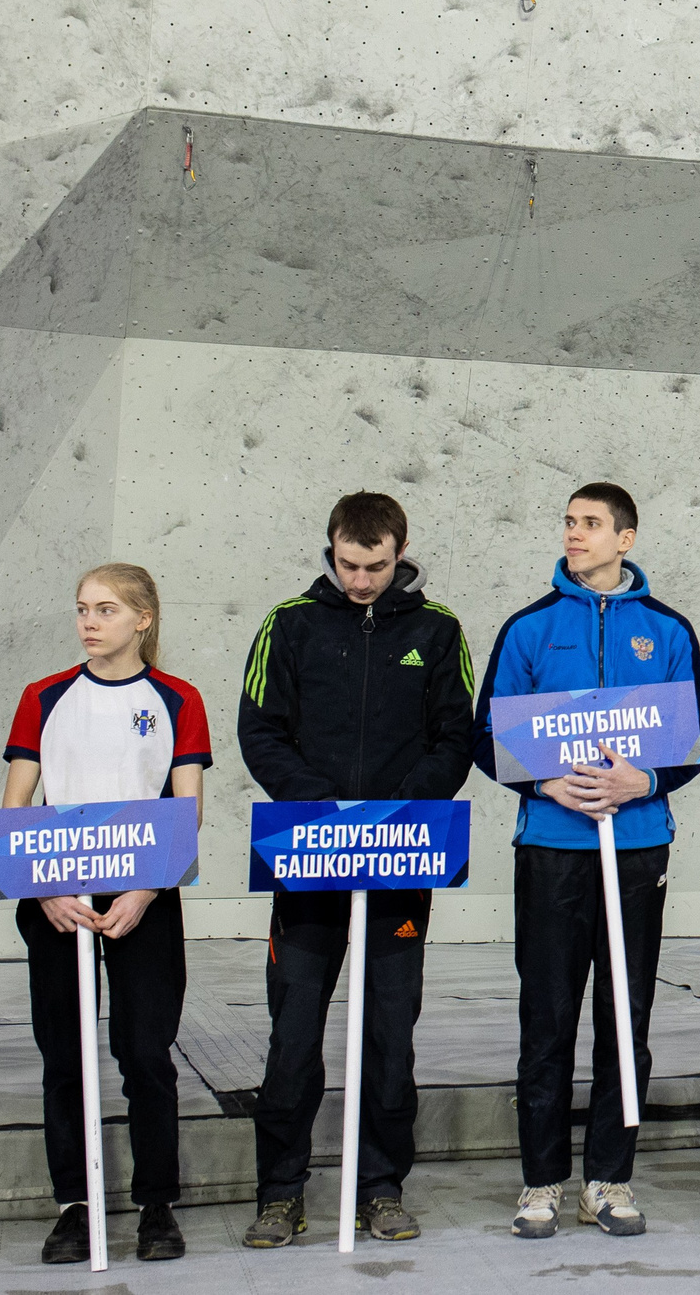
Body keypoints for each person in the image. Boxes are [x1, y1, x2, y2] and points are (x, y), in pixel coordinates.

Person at [476, 483, 700, 1237]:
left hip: (639, 848)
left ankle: (609, 1178)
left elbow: (696, 734)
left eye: (589, 524)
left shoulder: (667, 629)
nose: (573, 534)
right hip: (551, 848)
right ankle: (542, 1181)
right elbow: (485, 735)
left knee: (625, 1014)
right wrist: (546, 781)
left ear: (626, 537)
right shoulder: (529, 627)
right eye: (568, 522)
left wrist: (640, 780)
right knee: (545, 1017)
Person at [237, 492, 476, 1249]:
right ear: (331, 549)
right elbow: (259, 730)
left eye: (376, 566)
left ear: (401, 550)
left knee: (388, 1032)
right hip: (309, 862)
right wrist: (325, 808)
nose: (362, 580)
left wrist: (397, 811)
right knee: (293, 1032)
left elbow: (458, 735)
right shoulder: (290, 623)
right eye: (348, 564)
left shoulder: (438, 630)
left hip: (400, 862)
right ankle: (280, 1191)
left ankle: (380, 1186)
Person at [4, 565, 209, 1265]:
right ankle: (75, 1205)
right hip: (56, 900)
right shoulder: (43, 696)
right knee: (64, 1057)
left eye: (107, 609)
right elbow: (13, 812)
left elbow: (187, 811)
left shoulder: (178, 698)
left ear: (143, 618)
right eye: (83, 609)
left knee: (146, 1054)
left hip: (143, 897)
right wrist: (45, 889)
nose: (89, 621)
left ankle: (156, 1204)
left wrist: (146, 890)